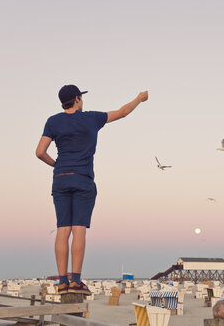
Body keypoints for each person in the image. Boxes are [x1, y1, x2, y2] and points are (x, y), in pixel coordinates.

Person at [36, 85, 148, 295]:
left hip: (60, 179)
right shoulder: (91, 118)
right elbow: (123, 112)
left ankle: (62, 282)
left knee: (62, 230)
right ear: (77, 99)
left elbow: (40, 152)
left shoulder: (53, 121)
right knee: (78, 230)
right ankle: (76, 281)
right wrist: (139, 98)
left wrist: (57, 165)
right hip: (83, 180)